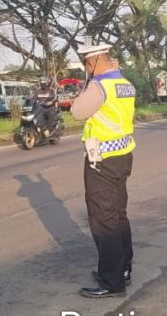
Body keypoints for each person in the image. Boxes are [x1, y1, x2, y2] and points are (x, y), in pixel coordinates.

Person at [70, 43, 136, 298]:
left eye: (87, 65)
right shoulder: (125, 83)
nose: (87, 69)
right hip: (123, 156)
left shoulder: (99, 85)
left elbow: (77, 112)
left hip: (102, 162)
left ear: (94, 62)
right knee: (119, 215)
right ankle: (123, 269)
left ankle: (111, 281)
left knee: (103, 219)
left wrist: (88, 85)